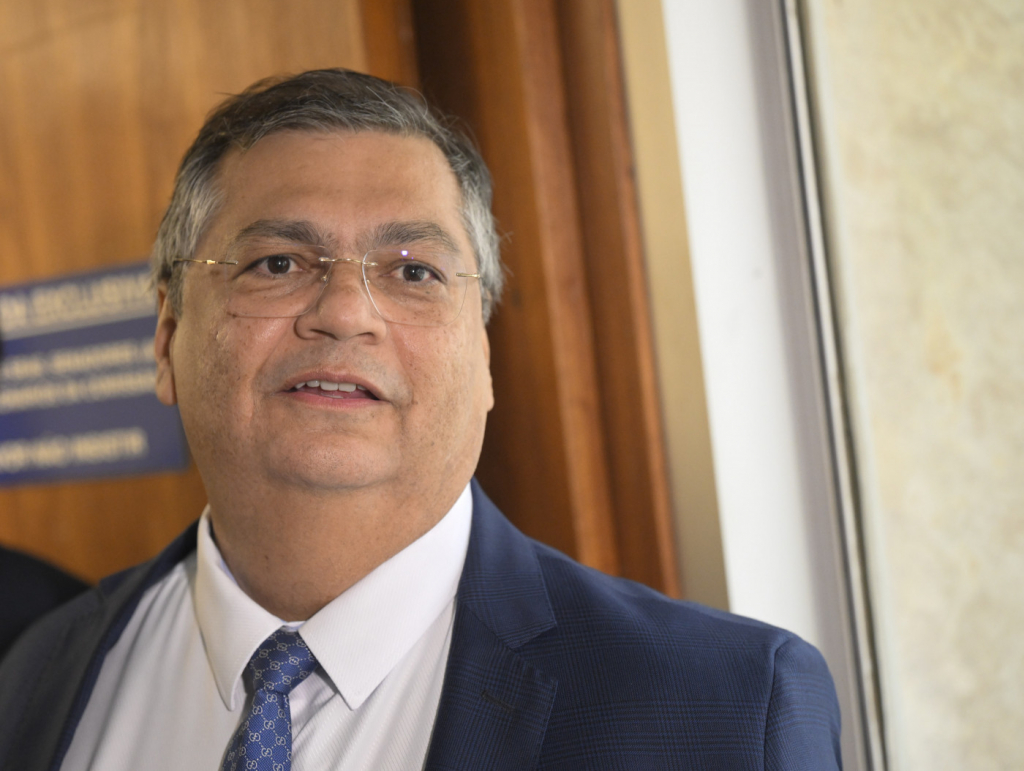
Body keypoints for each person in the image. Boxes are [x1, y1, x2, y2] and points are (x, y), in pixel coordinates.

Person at [0, 69, 841, 770]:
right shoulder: (36, 673)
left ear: (484, 357)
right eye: (278, 262)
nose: (344, 311)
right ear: (166, 335)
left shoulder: (729, 712)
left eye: (413, 272)